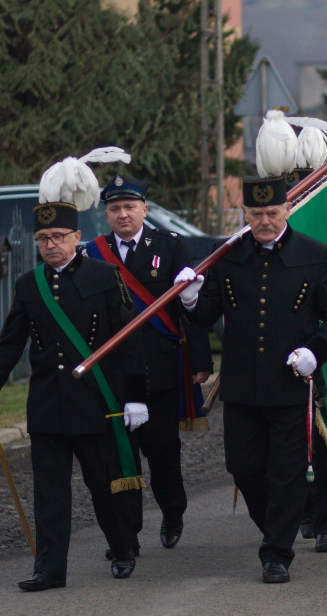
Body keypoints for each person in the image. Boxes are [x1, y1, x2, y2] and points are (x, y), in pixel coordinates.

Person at [179, 134, 327, 583]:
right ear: (245, 216)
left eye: (272, 213)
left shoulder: (315, 256)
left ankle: (276, 552)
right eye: (256, 215)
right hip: (241, 387)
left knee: (288, 471)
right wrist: (192, 300)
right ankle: (279, 526)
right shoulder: (229, 257)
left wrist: (315, 352)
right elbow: (207, 315)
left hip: (290, 386)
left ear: (286, 211)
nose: (265, 221)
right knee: (244, 467)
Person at [0, 152, 147, 590]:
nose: (50, 245)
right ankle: (49, 569)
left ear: (76, 236)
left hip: (95, 403)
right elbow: (11, 342)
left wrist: (136, 395)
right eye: (43, 238)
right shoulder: (29, 285)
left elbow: (127, 341)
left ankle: (122, 547)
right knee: (50, 494)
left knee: (104, 486)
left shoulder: (106, 277)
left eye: (58, 237)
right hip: (49, 404)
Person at [90, 174, 213, 553]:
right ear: (106, 215)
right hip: (113, 374)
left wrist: (201, 357)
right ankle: (126, 534)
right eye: (115, 209)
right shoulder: (92, 253)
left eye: (130, 207)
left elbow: (186, 303)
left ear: (145, 209)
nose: (123, 214)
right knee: (120, 458)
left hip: (159, 368)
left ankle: (173, 511)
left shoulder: (170, 246)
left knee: (162, 453)